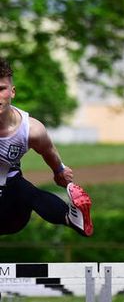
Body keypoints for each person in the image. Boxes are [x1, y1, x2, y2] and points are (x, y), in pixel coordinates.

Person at [0, 58, 93, 237]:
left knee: (22, 188)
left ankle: (72, 218)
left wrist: (60, 171)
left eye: (1, 89)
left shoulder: (31, 130)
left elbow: (49, 151)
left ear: (12, 92)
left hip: (10, 211)